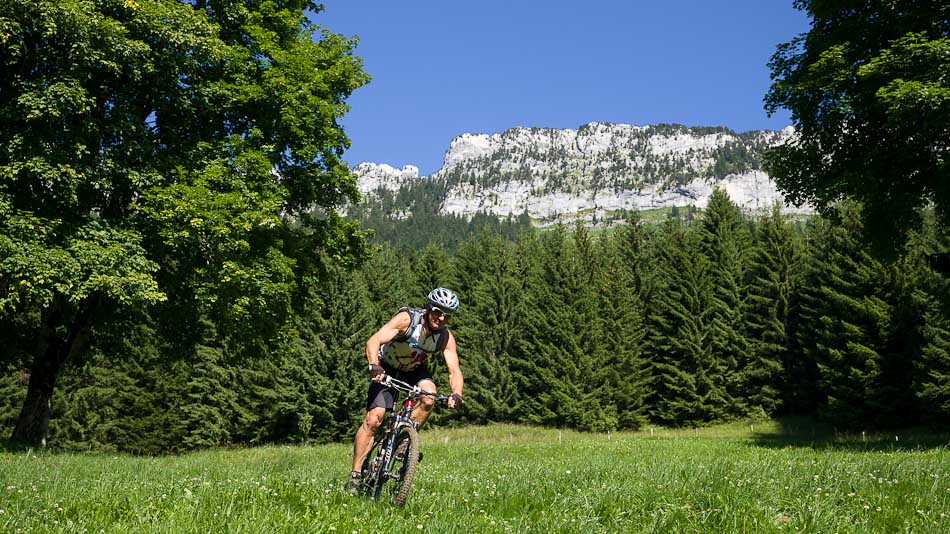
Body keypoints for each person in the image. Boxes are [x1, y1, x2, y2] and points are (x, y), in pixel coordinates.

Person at [345, 287, 464, 494]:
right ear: (429, 308)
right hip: (387, 367)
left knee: (429, 398)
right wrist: (374, 366)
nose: (441, 318)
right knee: (374, 419)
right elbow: (374, 340)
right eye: (437, 311)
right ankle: (355, 476)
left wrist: (456, 394)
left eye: (447, 315)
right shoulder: (407, 319)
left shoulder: (445, 337)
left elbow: (454, 370)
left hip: (414, 371)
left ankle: (404, 438)